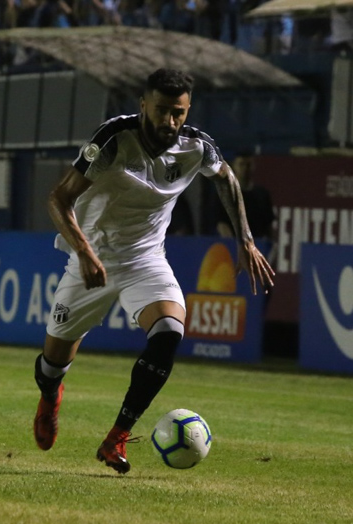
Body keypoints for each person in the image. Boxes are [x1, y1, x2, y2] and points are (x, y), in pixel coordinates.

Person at [32, 68, 274, 474]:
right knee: (53, 362)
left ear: (187, 109)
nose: (169, 121)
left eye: (177, 112)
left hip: (146, 261)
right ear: (143, 105)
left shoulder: (195, 146)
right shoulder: (112, 139)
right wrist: (85, 251)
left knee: (169, 333)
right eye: (161, 110)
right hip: (93, 259)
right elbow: (59, 199)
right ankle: (51, 395)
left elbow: (227, 179)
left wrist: (245, 239)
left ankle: (117, 438)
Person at [213, 152, 275, 242]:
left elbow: (268, 225)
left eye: (248, 165)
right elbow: (221, 223)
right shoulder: (224, 193)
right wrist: (232, 244)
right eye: (241, 164)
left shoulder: (262, 195)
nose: (245, 169)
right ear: (234, 166)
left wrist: (269, 243)